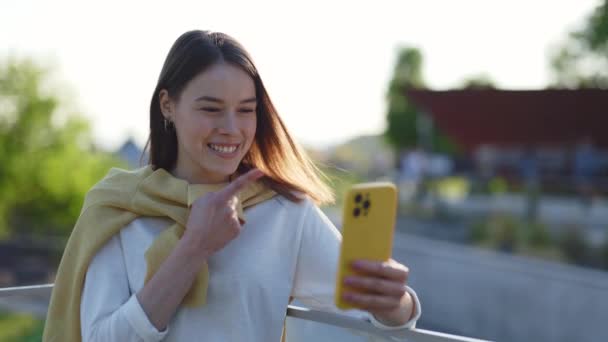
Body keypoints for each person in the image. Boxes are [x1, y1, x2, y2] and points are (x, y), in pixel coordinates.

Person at [43, 30, 421, 342]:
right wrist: (194, 248)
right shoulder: (119, 208)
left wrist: (396, 304)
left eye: (245, 109)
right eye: (211, 108)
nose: (232, 128)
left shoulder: (285, 211)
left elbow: (383, 322)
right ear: (167, 106)